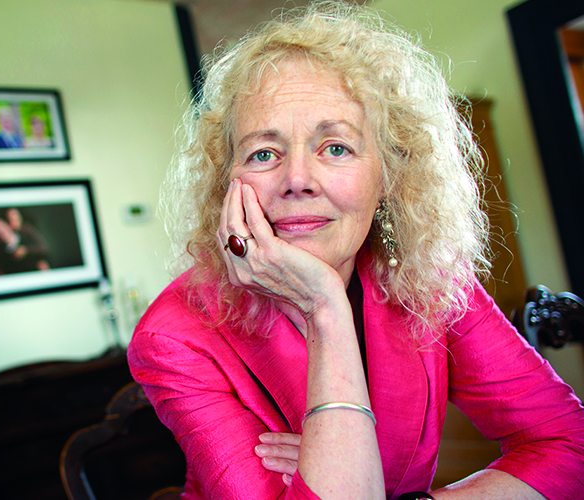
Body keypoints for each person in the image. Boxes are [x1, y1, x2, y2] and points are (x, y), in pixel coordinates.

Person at [127, 2, 584, 500]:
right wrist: (326, 308)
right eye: (264, 153)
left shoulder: (429, 281)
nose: (297, 179)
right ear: (227, 184)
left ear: (387, 176)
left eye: (336, 148)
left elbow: (570, 444)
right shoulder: (174, 337)